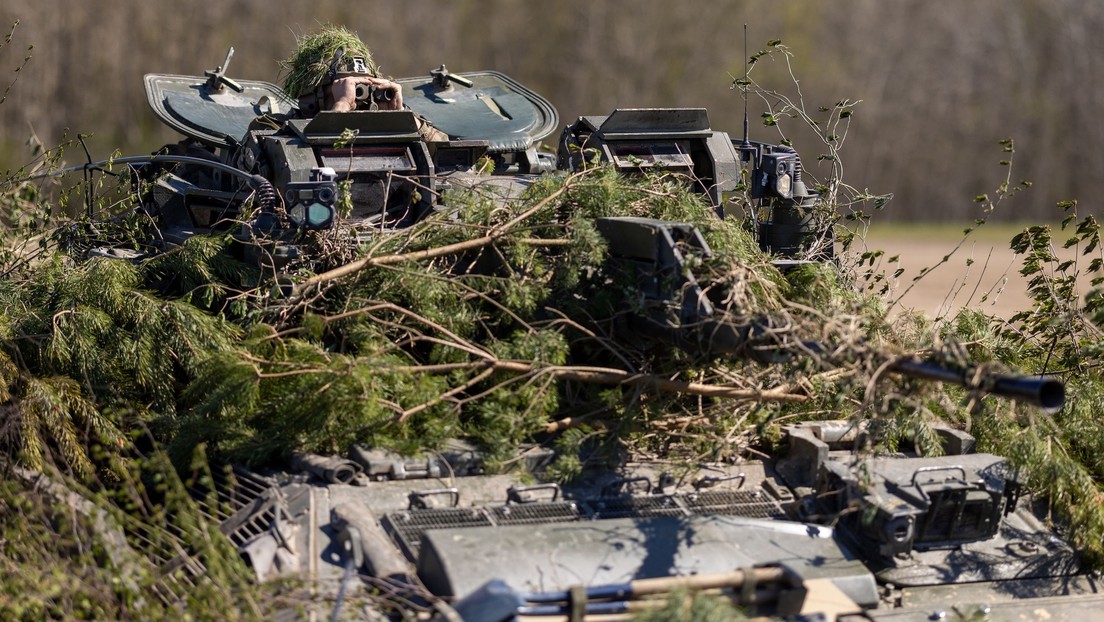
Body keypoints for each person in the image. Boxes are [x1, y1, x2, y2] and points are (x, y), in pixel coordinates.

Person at [277, 25, 445, 140]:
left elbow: (445, 154)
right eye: (348, 88)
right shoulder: (279, 130)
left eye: (365, 89)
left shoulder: (382, 131)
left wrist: (402, 117)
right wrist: (342, 105)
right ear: (312, 97)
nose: (359, 100)